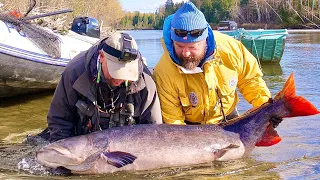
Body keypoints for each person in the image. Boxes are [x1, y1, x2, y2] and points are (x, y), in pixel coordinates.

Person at [153, 2, 276, 125]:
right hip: (189, 128)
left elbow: (250, 80)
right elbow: (174, 121)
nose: (185, 53)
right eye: (179, 46)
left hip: (229, 117)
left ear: (205, 41)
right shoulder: (163, 72)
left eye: (192, 47)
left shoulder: (230, 48)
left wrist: (266, 109)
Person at [44, 32, 162, 142]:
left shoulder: (146, 82)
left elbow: (154, 132)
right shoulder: (75, 73)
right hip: (83, 146)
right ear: (101, 57)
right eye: (115, 71)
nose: (120, 79)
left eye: (127, 73)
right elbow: (59, 122)